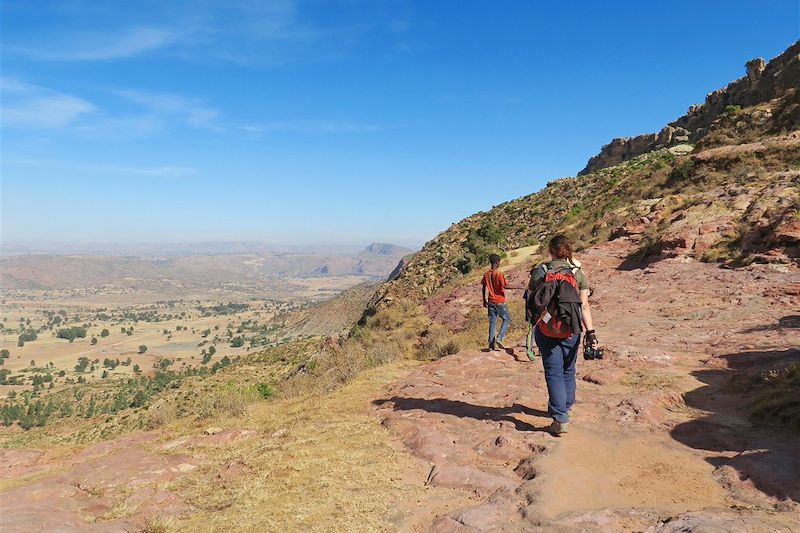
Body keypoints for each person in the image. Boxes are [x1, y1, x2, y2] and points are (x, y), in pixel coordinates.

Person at [528, 235, 599, 435]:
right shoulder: (578, 274)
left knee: (554, 372)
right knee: (568, 369)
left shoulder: (541, 271)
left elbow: (531, 297)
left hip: (546, 328)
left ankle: (560, 418)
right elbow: (584, 306)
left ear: (551, 251)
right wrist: (591, 332)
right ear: (568, 251)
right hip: (572, 329)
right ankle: (566, 406)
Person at [481, 254, 511, 351]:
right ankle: (500, 338)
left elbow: (483, 286)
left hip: (490, 301)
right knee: (507, 319)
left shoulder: (486, 274)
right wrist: (520, 287)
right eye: (499, 261)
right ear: (497, 262)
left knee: (492, 323)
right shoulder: (499, 274)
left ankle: (491, 346)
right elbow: (505, 286)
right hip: (500, 301)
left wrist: (484, 300)